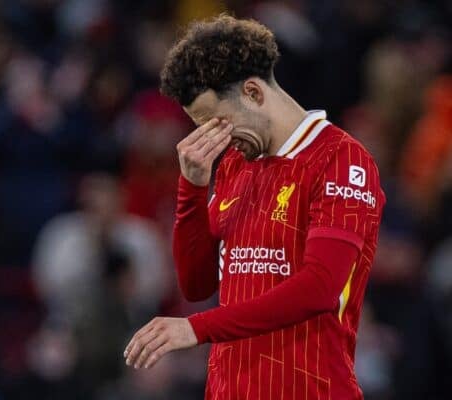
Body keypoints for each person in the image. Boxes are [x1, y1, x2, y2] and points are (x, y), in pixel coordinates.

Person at [123, 15, 385, 400]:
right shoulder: (233, 166)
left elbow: (320, 288)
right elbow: (196, 285)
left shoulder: (343, 159)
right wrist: (192, 188)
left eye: (218, 122)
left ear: (253, 92)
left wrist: (195, 329)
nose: (215, 138)